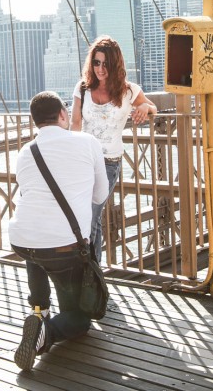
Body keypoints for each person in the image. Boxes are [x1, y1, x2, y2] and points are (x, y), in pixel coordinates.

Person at [10, 91, 108, 370]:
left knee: (35, 244)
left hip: (22, 240)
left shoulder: (25, 151)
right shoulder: (88, 142)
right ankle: (45, 333)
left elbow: (28, 193)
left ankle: (39, 308)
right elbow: (100, 195)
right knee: (79, 318)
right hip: (64, 249)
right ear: (63, 114)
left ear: (35, 122)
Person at [70, 36, 157, 263]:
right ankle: (94, 273)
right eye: (96, 63)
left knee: (92, 214)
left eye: (105, 63)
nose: (100, 69)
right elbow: (75, 125)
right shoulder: (82, 89)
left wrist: (146, 106)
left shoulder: (128, 91)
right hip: (82, 161)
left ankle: (90, 272)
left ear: (115, 64)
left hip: (108, 162)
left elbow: (153, 108)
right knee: (89, 217)